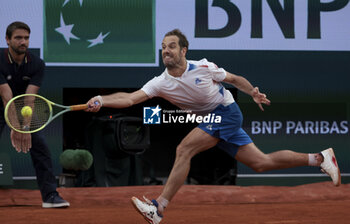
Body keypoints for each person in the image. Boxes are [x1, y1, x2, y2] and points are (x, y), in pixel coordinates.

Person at [86, 29, 341, 224]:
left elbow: (233, 79)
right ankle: (319, 158)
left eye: (172, 46)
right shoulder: (160, 82)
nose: (166, 51)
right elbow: (130, 98)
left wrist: (252, 91)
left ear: (184, 50)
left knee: (184, 149)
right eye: (163, 47)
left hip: (226, 113)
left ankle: (158, 208)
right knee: (261, 162)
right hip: (214, 119)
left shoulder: (203, 67)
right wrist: (102, 100)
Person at [0, 21, 70, 208]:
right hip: (2, 104)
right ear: (7, 40)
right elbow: (6, 97)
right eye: (18, 38)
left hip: (24, 108)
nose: (23, 42)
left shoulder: (37, 64)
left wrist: (24, 127)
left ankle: (50, 197)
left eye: (26, 38)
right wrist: (15, 127)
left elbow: (29, 99)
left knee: (41, 147)